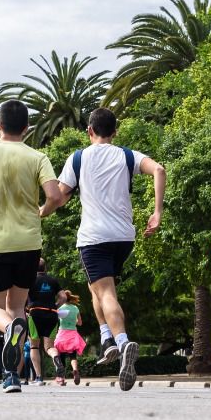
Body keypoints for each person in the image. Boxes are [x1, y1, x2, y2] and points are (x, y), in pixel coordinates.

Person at [53, 106, 165, 392]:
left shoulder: (78, 158)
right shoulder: (128, 156)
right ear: (115, 131)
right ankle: (106, 339)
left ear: (89, 131)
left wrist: (41, 210)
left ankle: (122, 342)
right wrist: (157, 213)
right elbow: (159, 169)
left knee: (105, 293)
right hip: (123, 237)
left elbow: (60, 196)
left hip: (94, 237)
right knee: (97, 288)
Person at [0, 98, 66, 394]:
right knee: (17, 306)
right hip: (28, 243)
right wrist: (42, 212)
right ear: (27, 127)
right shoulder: (38, 157)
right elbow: (55, 196)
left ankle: (8, 331)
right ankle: (11, 375)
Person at [23, 263, 62, 386]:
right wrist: (55, 306)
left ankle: (39, 378)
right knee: (49, 347)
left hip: (35, 314)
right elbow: (63, 297)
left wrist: (25, 308)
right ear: (45, 268)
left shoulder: (29, 280)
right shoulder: (53, 280)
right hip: (52, 314)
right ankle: (55, 357)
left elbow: (23, 297)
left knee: (34, 346)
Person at [50, 291, 86, 385]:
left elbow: (55, 320)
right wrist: (73, 321)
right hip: (73, 334)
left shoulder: (60, 308)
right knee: (73, 356)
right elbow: (80, 323)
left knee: (61, 357)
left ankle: (61, 379)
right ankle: (75, 370)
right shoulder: (75, 308)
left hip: (62, 334)